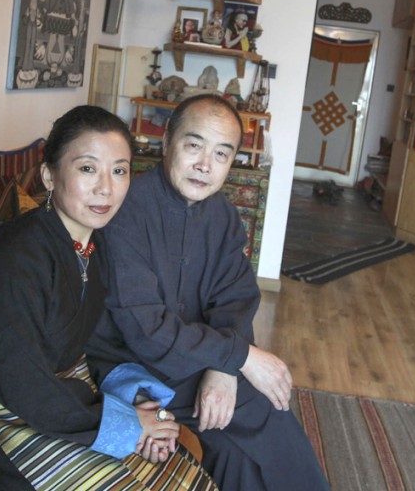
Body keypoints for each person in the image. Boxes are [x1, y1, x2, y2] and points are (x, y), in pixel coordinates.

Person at [0, 105, 216, 491]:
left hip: (61, 391)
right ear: (49, 175)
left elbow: (98, 342)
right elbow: (19, 379)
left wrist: (138, 407)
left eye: (119, 170)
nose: (106, 187)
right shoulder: (11, 258)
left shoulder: (92, 245)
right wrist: (129, 425)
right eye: (88, 168)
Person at [87, 95, 330, 491]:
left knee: (235, 446)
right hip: (130, 361)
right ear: (167, 142)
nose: (205, 165)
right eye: (194, 145)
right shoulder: (126, 208)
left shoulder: (223, 216)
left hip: (194, 356)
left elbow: (235, 299)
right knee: (262, 402)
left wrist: (224, 369)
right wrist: (239, 357)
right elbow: (145, 330)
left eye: (222, 153)